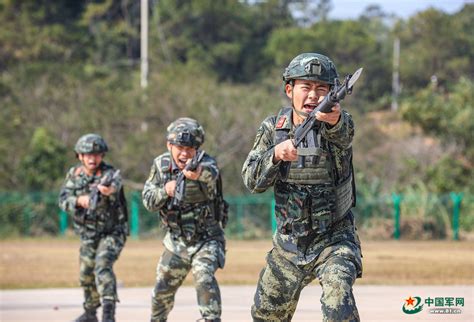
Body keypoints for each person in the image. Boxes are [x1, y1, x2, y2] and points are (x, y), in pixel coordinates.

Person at [242, 53, 363, 322]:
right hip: (288, 245)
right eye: (306, 87)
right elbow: (251, 181)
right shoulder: (274, 128)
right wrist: (275, 155)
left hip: (334, 240)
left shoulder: (338, 124)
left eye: (322, 89)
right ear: (290, 90)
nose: (313, 95)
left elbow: (344, 134)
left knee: (338, 305)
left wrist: (334, 120)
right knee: (265, 316)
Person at [142, 117, 226, 322]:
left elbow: (211, 174)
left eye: (190, 148)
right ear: (169, 145)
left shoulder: (206, 163)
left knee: (204, 277)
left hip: (207, 239)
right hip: (176, 242)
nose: (185, 153)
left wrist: (197, 174)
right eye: (180, 147)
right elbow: (148, 201)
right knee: (162, 289)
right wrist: (165, 191)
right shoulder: (160, 166)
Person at [59, 134, 128, 322]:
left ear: (102, 155)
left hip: (113, 232)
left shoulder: (109, 175)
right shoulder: (74, 176)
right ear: (79, 156)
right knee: (85, 273)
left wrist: (108, 191)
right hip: (88, 234)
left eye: (96, 154)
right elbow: (63, 200)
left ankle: (108, 315)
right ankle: (90, 314)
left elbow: (115, 185)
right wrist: (79, 200)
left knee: (102, 265)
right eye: (87, 154)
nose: (92, 158)